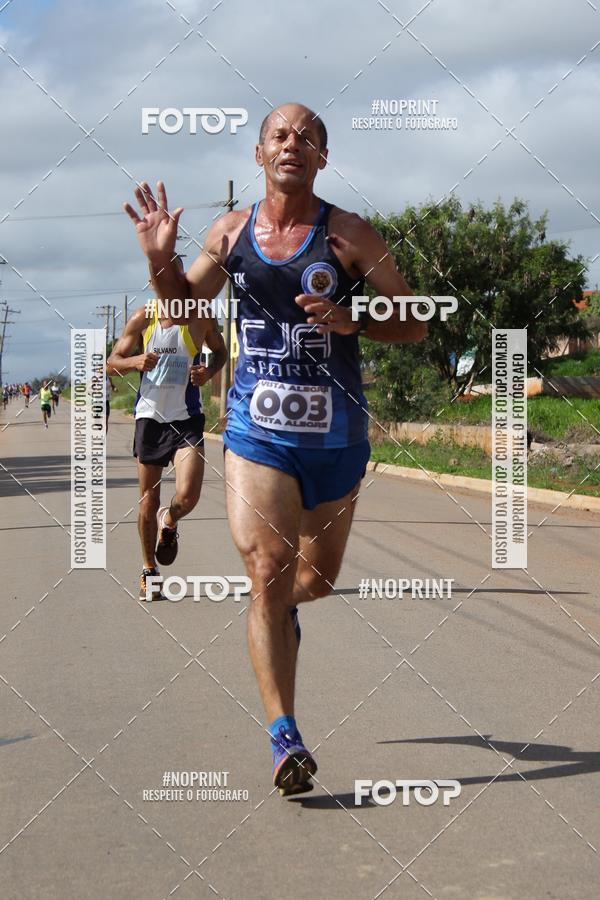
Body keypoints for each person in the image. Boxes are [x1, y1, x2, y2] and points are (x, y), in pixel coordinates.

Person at [123, 102, 426, 795]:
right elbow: (185, 308)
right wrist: (160, 260)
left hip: (337, 439)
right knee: (265, 568)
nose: (293, 143)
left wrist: (357, 319)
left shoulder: (348, 233)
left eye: (308, 137)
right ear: (259, 155)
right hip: (256, 433)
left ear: (323, 157)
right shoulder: (230, 234)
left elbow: (413, 322)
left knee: (311, 581)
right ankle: (284, 736)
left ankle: (281, 612)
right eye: (280, 135)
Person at [107, 290, 227, 602]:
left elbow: (221, 352)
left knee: (188, 495)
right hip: (149, 419)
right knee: (148, 501)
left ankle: (170, 520)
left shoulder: (199, 315)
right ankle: (149, 569)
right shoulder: (143, 317)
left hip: (187, 419)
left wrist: (208, 372)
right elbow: (112, 364)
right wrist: (135, 360)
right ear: (155, 283)